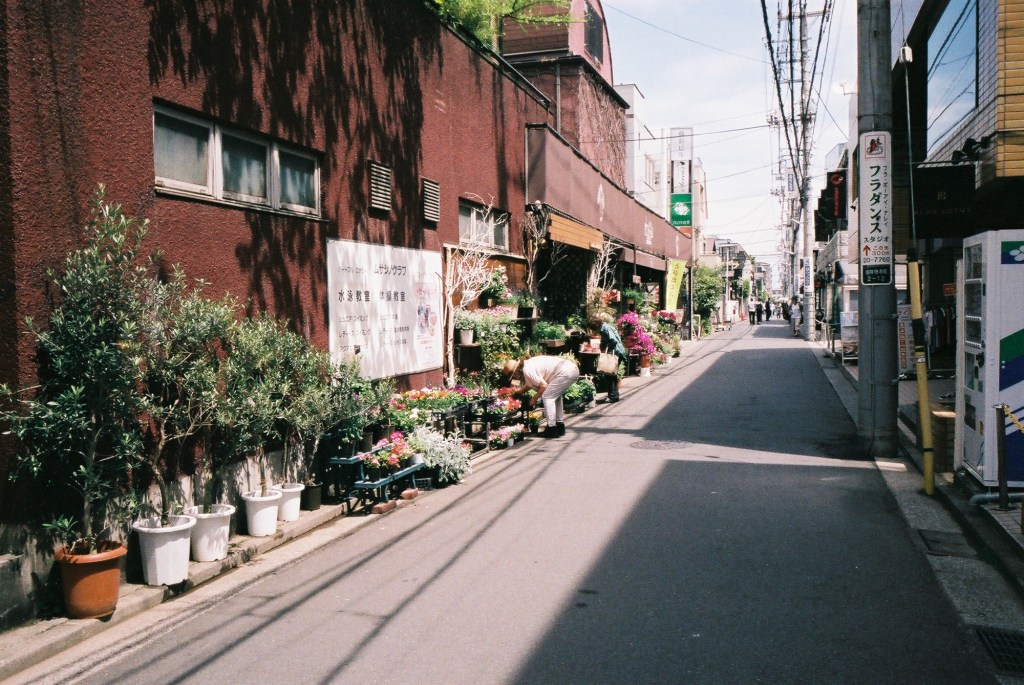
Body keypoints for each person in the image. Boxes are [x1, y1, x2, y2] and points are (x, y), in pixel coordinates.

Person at [502, 355, 579, 438]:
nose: (514, 378)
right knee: (556, 397)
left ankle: (551, 429)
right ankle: (560, 426)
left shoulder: (527, 370)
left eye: (513, 375)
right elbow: (530, 384)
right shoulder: (529, 365)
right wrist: (518, 393)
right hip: (571, 369)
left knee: (547, 397)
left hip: (565, 372)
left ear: (517, 370)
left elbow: (543, 386)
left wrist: (534, 399)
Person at [588, 316, 627, 403]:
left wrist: (605, 348)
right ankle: (614, 395)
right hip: (617, 352)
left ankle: (612, 396)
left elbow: (613, 340)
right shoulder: (604, 327)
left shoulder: (605, 328)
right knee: (611, 374)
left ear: (596, 325)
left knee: (609, 374)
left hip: (616, 352)